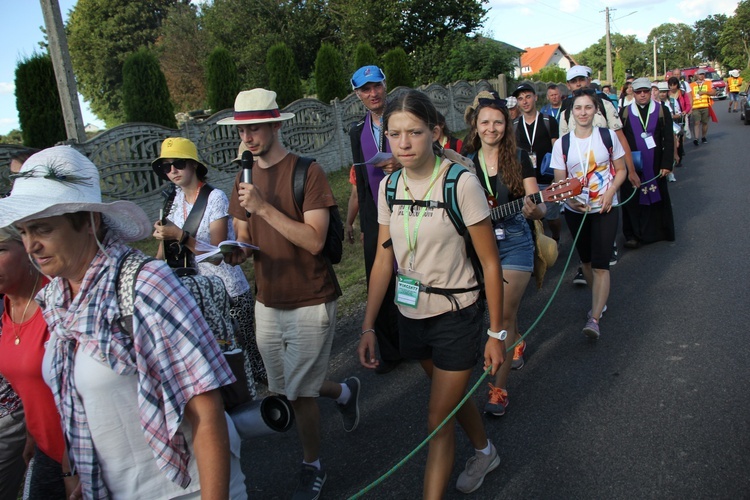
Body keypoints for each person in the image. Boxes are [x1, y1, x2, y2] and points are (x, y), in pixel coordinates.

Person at [0, 146, 246, 499]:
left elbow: (206, 411)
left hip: (185, 490)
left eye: (42, 229)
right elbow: (76, 401)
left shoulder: (145, 285)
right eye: (23, 232)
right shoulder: (56, 301)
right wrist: (75, 472)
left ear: (89, 222)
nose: (31, 246)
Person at [357, 89, 505, 498]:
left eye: (414, 133)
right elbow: (384, 261)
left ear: (435, 132)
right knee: (450, 400)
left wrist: (497, 332)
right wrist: (368, 325)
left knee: (436, 421)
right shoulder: (388, 187)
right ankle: (485, 450)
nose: (403, 144)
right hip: (410, 312)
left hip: (457, 314)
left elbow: (490, 262)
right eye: (394, 134)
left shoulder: (461, 184)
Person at [221, 88, 361, 500]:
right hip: (268, 299)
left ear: (276, 125)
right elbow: (245, 238)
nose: (247, 139)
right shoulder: (242, 178)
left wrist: (264, 208)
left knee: (300, 394)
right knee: (287, 388)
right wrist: (232, 254)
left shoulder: (307, 172)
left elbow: (316, 242)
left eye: (256, 128)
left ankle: (311, 465)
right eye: (241, 131)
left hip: (311, 297)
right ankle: (346, 391)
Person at [150, 137, 263, 391]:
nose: (172, 171)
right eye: (166, 167)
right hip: (197, 292)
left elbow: (216, 252)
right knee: (218, 358)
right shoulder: (173, 202)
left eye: (178, 164)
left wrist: (179, 235)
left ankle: (272, 406)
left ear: (193, 165)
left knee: (247, 354)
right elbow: (163, 253)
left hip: (227, 290)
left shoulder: (215, 198)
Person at [462, 90, 546, 414]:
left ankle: (499, 390)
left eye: (498, 122)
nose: (491, 128)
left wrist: (533, 210)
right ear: (476, 125)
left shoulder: (519, 157)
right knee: (493, 310)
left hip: (513, 239)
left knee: (502, 316)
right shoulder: (465, 158)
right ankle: (516, 339)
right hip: (478, 241)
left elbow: (539, 206)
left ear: (505, 124)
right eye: (485, 122)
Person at [0, 226, 71, 499]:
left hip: (81, 452)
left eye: (1, 250)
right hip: (45, 447)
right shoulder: (8, 305)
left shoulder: (59, 301)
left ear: (27, 249)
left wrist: (70, 466)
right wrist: (32, 433)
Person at [551, 90, 627, 339]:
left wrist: (611, 192)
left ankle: (593, 317)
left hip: (605, 207)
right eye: (578, 108)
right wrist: (571, 199)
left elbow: (621, 170)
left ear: (596, 110)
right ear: (571, 113)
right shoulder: (562, 144)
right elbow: (559, 184)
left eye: (588, 107)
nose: (583, 112)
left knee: (602, 263)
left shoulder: (606, 137)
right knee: (586, 262)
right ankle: (599, 301)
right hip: (576, 211)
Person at [346, 65, 402, 374]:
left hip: (410, 204)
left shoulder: (403, 117)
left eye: (376, 86)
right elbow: (361, 182)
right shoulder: (358, 131)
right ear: (358, 95)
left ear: (385, 85)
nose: (373, 93)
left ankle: (417, 337)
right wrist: (363, 222)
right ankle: (391, 351)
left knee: (411, 271)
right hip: (376, 212)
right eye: (365, 90)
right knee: (378, 279)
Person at [560, 66, 639, 278]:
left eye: (581, 79)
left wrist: (631, 170)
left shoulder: (604, 104)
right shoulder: (566, 110)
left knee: (604, 219)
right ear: (568, 85)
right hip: (579, 186)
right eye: (574, 81)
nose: (578, 84)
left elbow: (620, 139)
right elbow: (561, 148)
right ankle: (584, 264)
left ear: (589, 80)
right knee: (584, 235)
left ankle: (606, 249)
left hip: (606, 176)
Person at [619, 78, 676, 248]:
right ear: (633, 92)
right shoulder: (624, 112)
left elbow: (668, 139)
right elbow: (620, 141)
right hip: (633, 166)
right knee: (633, 201)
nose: (642, 95)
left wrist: (667, 163)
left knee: (658, 198)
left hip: (656, 165)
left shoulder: (661, 110)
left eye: (645, 91)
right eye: (638, 92)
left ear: (650, 92)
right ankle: (634, 235)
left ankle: (659, 232)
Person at [512, 81, 562, 242]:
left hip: (546, 179)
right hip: (525, 180)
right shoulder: (514, 126)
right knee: (531, 218)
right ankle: (537, 246)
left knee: (552, 217)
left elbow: (557, 150)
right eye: (520, 99)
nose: (524, 101)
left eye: (527, 97)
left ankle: (555, 238)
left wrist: (557, 176)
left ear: (535, 97)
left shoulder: (549, 121)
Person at [658, 81, 681, 182]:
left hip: (672, 127)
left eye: (664, 92)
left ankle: (671, 172)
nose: (662, 94)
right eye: (660, 92)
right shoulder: (655, 104)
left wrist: (669, 117)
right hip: (660, 129)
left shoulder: (672, 102)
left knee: (671, 148)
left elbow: (679, 114)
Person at [668, 76, 691, 168]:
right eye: (670, 85)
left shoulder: (682, 93)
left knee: (679, 137)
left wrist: (685, 111)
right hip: (670, 117)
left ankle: (679, 158)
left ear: (677, 85)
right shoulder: (667, 93)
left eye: (674, 85)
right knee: (672, 138)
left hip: (680, 118)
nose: (672, 87)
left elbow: (688, 104)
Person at [690, 68, 716, 145]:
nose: (701, 76)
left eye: (703, 74)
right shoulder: (691, 85)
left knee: (705, 123)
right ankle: (696, 139)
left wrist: (705, 92)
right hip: (695, 107)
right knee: (697, 122)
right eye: (700, 74)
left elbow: (714, 92)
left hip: (705, 106)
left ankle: (703, 136)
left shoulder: (708, 83)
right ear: (697, 75)